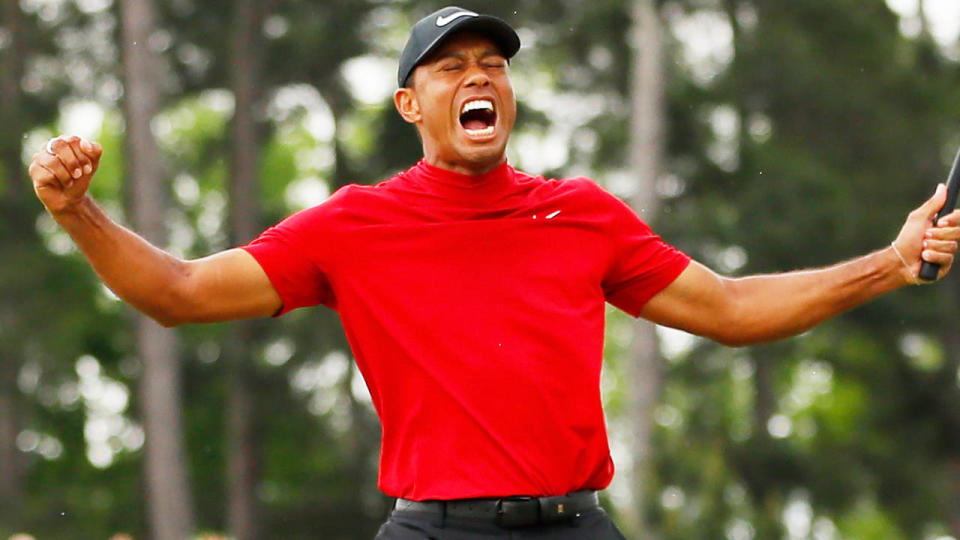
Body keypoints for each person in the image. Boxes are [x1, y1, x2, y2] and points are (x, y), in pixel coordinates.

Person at [27, 6, 960, 539]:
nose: (479, 77)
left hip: (577, 526)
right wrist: (78, 211)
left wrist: (889, 262)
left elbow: (729, 309)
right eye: (450, 68)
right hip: (436, 535)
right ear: (410, 103)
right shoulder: (355, 226)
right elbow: (176, 294)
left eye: (492, 65)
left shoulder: (580, 212)